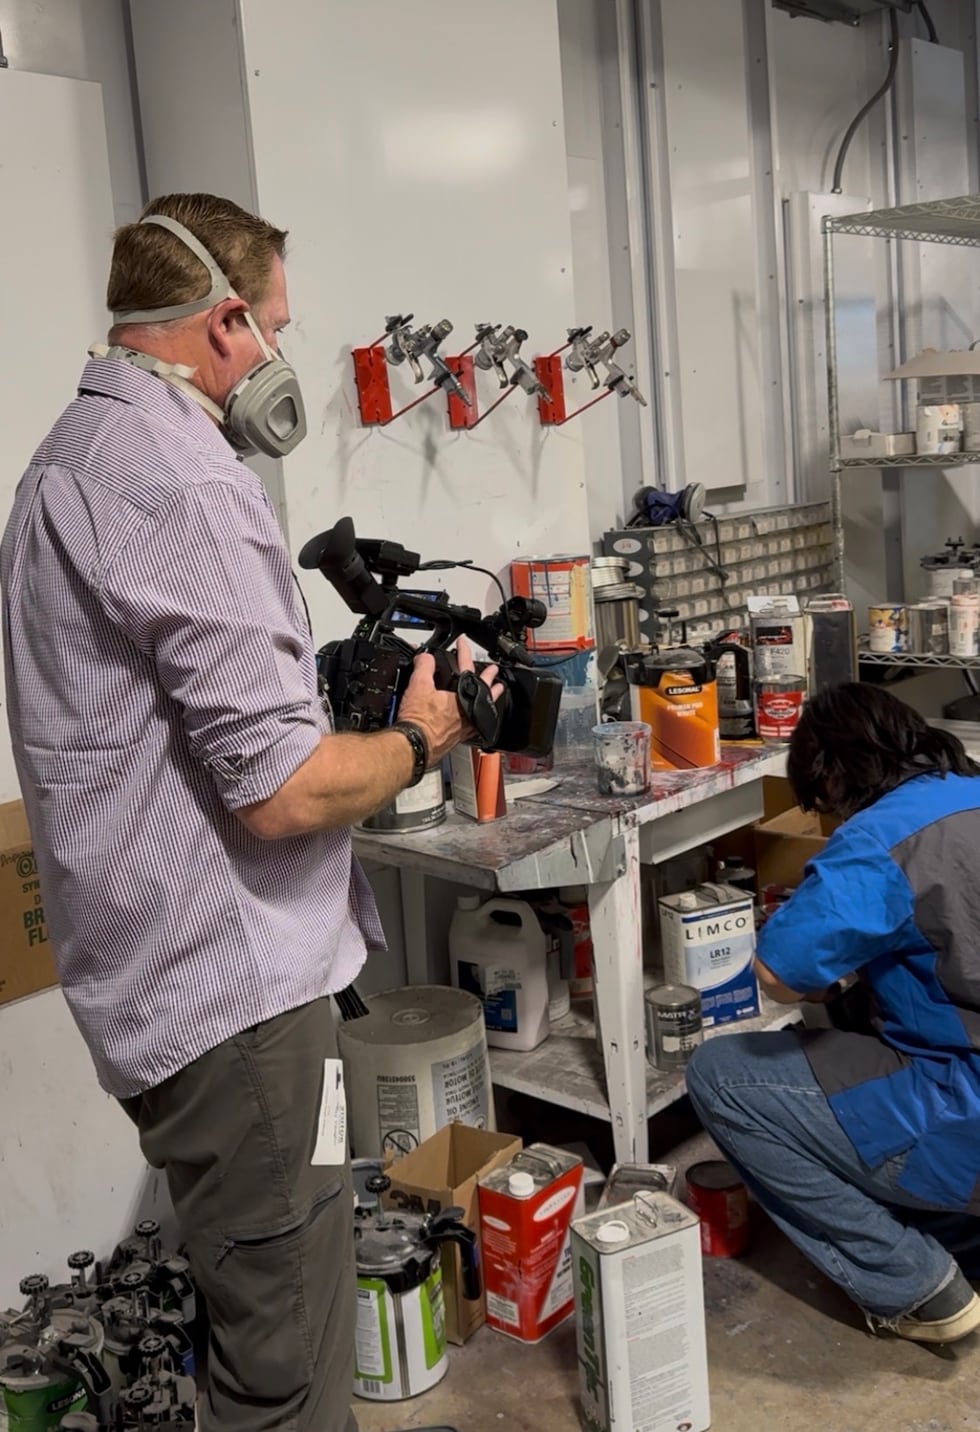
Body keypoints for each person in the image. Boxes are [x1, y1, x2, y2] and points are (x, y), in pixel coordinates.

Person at [0, 193, 493, 1432]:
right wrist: (419, 733)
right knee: (288, 1378)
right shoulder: (184, 480)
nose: (278, 355)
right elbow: (279, 795)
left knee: (279, 1294)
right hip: (241, 1013)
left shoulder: (67, 460)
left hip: (177, 995)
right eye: (273, 327)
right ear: (221, 323)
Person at [687, 682, 980, 1346]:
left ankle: (916, 1287)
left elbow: (778, 975)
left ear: (831, 778)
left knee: (722, 1076)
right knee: (861, 1016)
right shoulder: (971, 791)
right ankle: (961, 1233)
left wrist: (823, 962)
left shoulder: (879, 837)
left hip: (966, 1112)